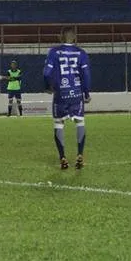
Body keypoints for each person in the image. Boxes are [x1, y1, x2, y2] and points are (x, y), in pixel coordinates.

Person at [43, 27, 91, 170]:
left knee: (59, 124)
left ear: (60, 37)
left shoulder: (53, 52)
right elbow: (87, 74)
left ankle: (63, 157)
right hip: (76, 94)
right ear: (75, 38)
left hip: (60, 94)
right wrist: (86, 93)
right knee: (80, 122)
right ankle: (80, 154)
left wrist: (48, 86)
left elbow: (46, 73)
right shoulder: (81, 53)